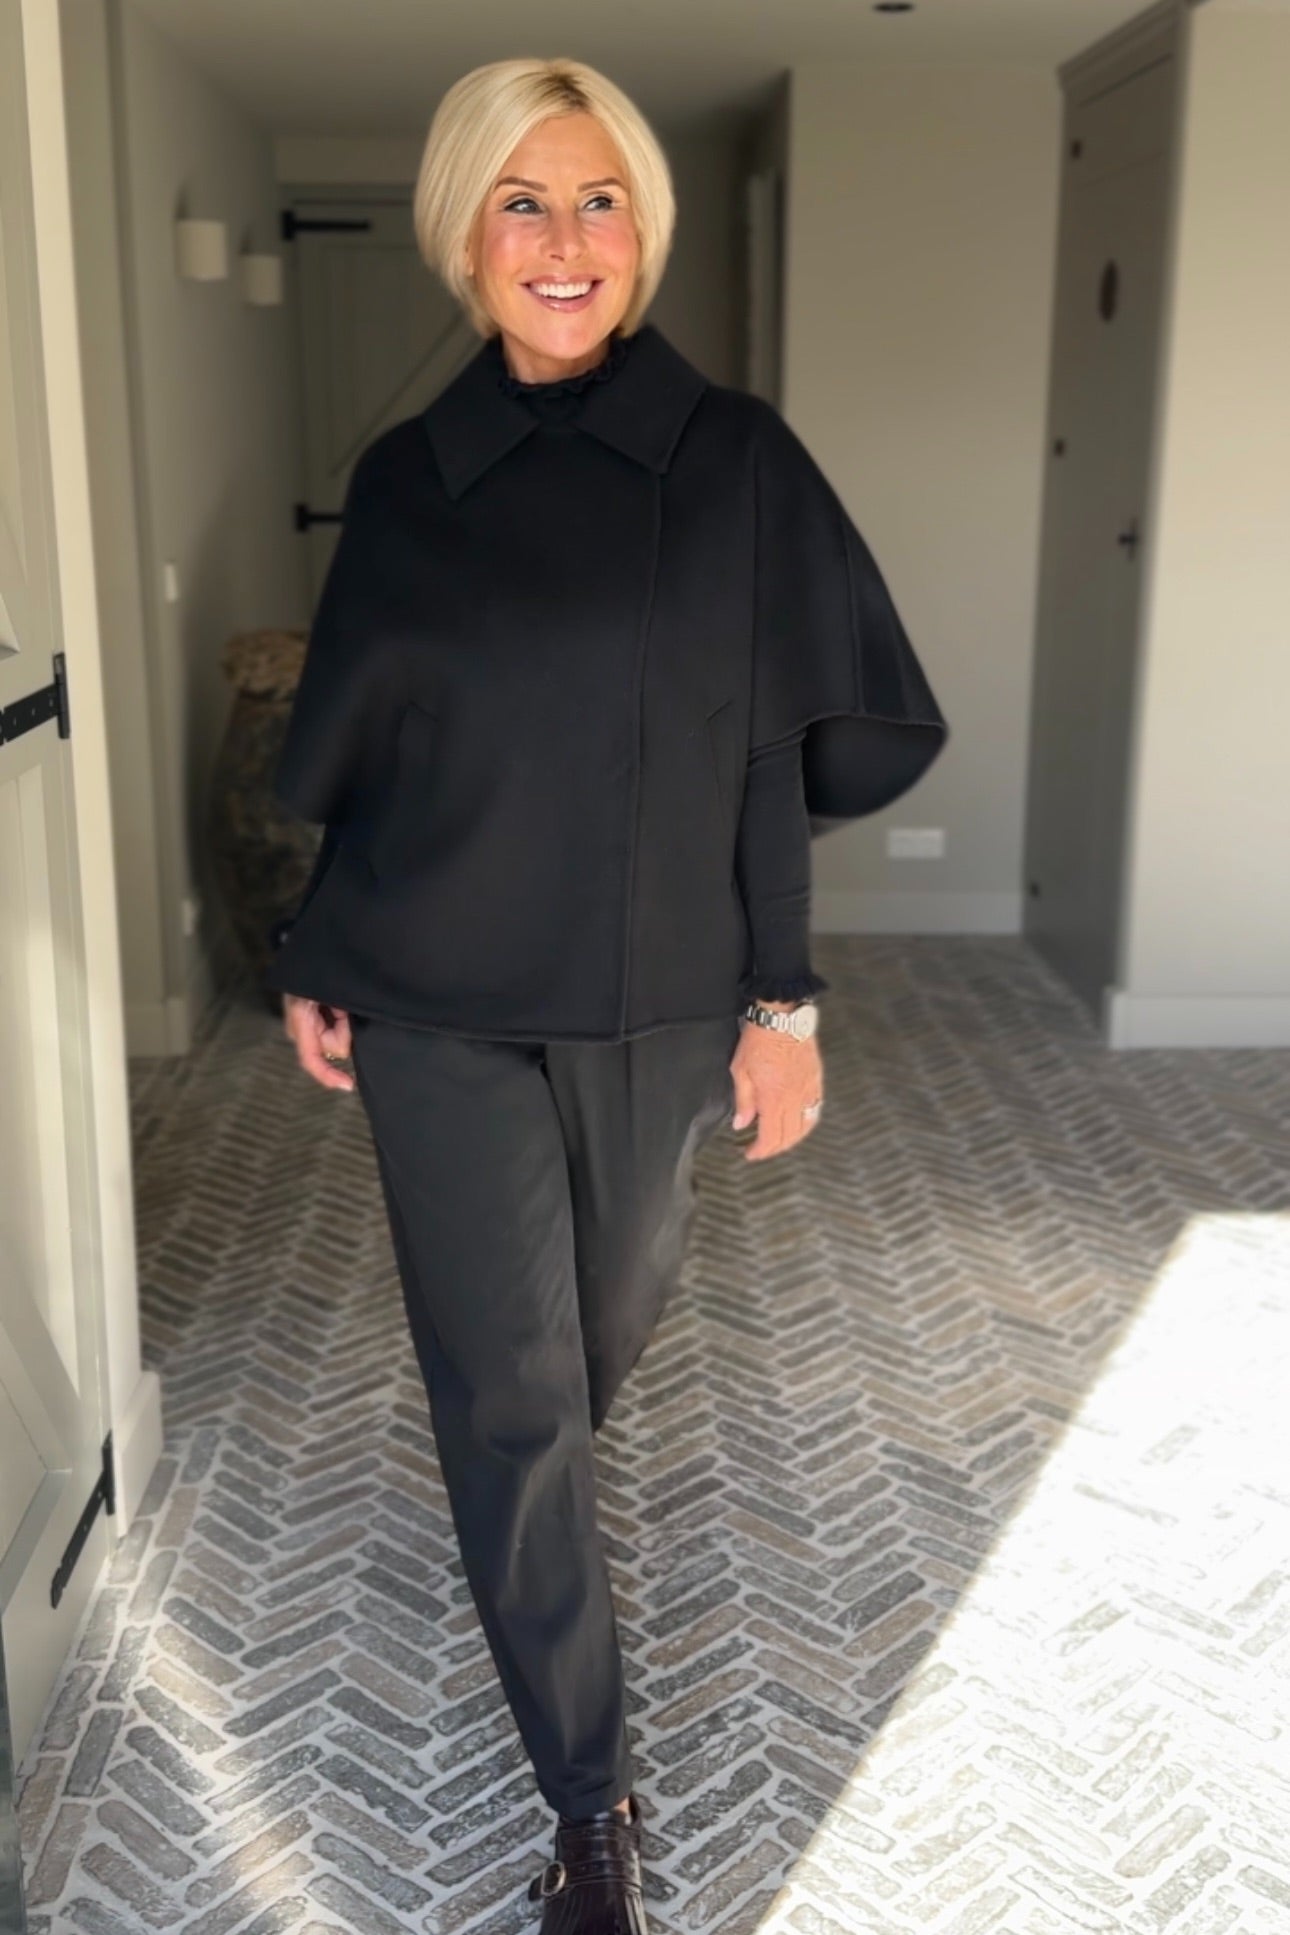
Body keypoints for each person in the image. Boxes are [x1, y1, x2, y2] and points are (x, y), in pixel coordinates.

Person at [264, 55, 947, 1934]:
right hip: (435, 995)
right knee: (510, 1394)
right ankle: (590, 1807)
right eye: (521, 202)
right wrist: (319, 949)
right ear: (461, 235)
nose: (562, 242)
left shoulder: (732, 458)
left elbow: (765, 748)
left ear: (639, 232)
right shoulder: (406, 479)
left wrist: (784, 1004)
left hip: (653, 998)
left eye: (598, 201)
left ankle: (528, 1525)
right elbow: (385, 743)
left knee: (587, 1352)